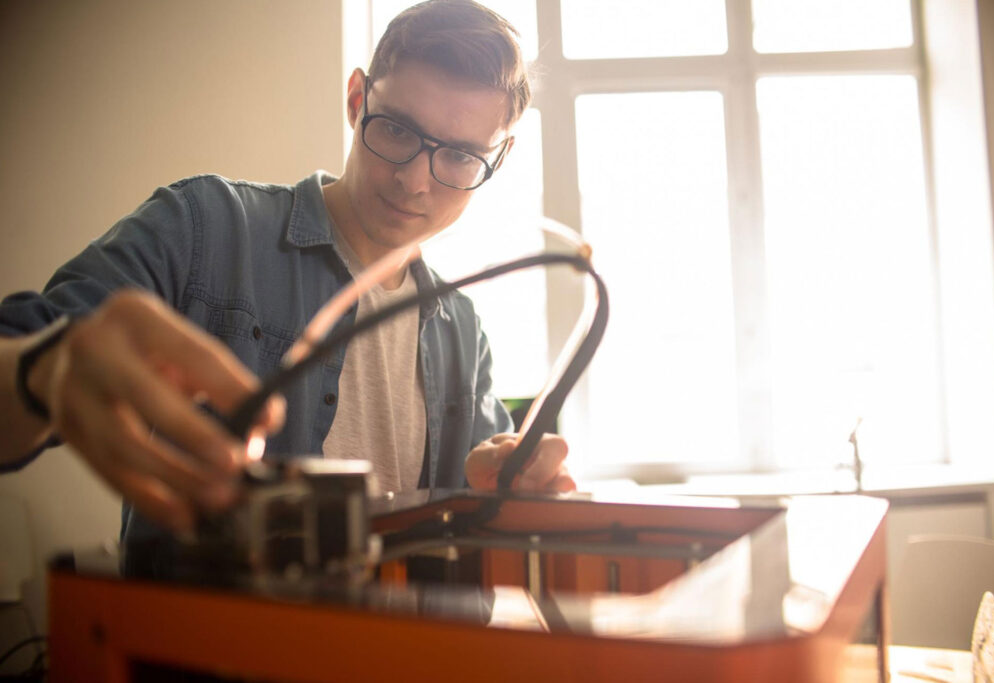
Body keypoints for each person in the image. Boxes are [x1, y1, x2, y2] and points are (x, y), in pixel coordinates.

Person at [0, 0, 573, 544]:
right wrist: (43, 373)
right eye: (397, 130)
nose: (416, 181)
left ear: (497, 159)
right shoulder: (204, 226)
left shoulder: (463, 330)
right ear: (356, 100)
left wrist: (507, 477)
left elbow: (490, 488)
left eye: (458, 156)